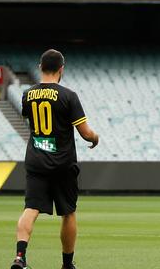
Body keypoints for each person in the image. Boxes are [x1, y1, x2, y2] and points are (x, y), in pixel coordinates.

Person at [11, 49, 99, 269]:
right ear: (62, 69)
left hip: (36, 160)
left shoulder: (27, 94)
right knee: (68, 213)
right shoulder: (68, 95)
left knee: (30, 208)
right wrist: (95, 137)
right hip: (63, 162)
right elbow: (85, 133)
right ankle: (67, 264)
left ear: (40, 67)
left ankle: (20, 257)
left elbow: (28, 119)